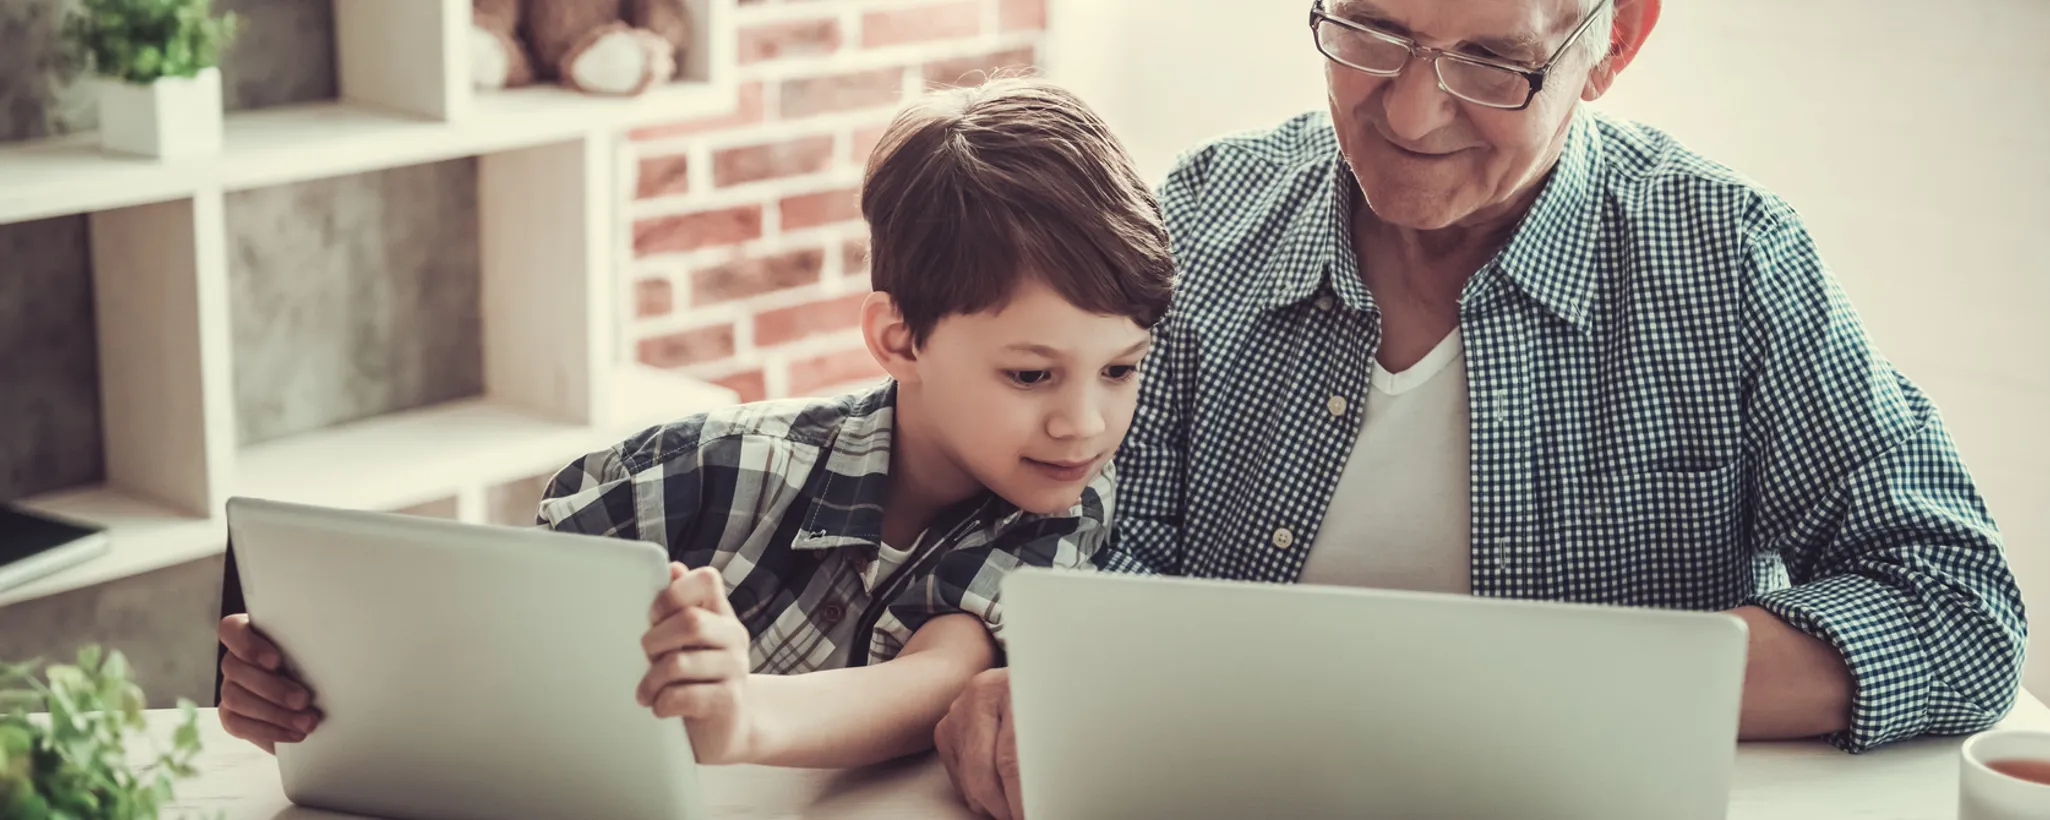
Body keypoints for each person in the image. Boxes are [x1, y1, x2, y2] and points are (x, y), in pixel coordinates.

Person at [933, 1, 2029, 817]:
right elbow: (1094, 545)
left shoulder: (1728, 260)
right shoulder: (1206, 217)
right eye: (1368, 30)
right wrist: (1034, 674)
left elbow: (1955, 605)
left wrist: (1545, 691)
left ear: (1616, 41)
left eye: (1494, 63)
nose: (1411, 112)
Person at [210, 76, 1176, 768]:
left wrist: (744, 716)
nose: (1084, 423)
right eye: (1031, 373)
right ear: (900, 340)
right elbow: (488, 641)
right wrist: (312, 684)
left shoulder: (1064, 512)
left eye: (1122, 368)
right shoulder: (705, 472)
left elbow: (934, 677)